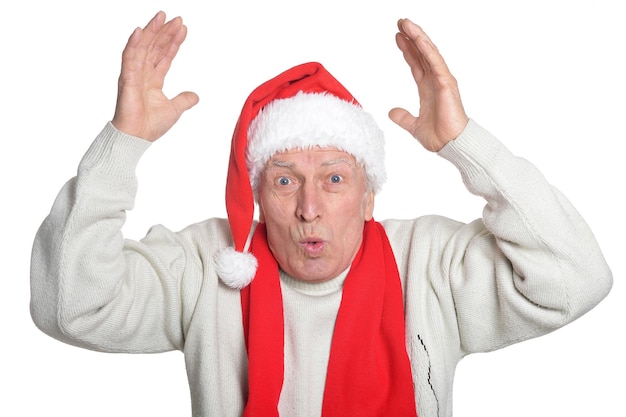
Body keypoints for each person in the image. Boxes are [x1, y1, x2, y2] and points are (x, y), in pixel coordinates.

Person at [30, 10, 612, 417]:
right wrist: (123, 143)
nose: (310, 209)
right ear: (256, 196)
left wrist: (465, 143)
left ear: (369, 195)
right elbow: (72, 307)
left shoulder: (429, 263)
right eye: (285, 181)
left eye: (334, 179)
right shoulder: (208, 265)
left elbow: (577, 279)